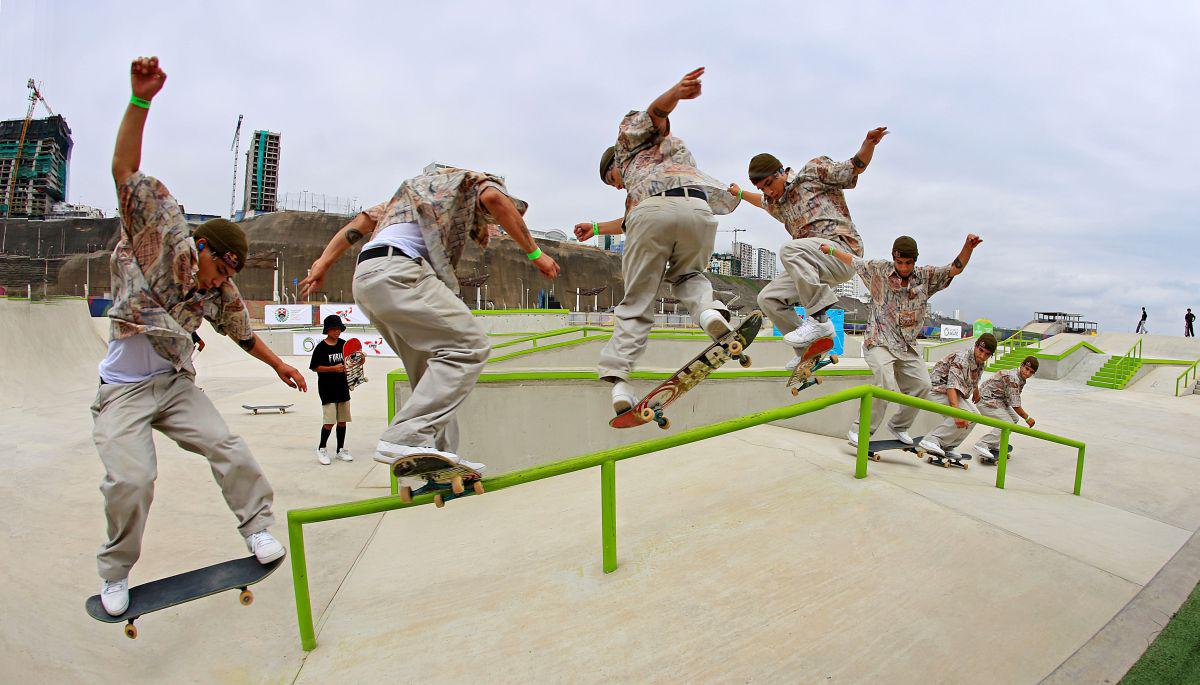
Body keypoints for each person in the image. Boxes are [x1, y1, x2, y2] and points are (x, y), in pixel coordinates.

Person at [94, 57, 307, 616]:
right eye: (223, 269)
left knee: (228, 447)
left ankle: (258, 528)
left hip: (175, 385)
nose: (223, 283)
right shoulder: (163, 235)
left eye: (234, 276)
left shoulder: (219, 293)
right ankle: (116, 574)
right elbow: (124, 171)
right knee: (132, 481)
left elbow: (242, 334)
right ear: (205, 250)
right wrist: (141, 100)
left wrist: (278, 366)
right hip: (122, 390)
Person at [300, 167, 559, 472]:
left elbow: (360, 224)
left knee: (430, 374)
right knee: (470, 346)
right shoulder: (469, 184)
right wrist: (535, 254)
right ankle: (404, 437)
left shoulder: (406, 199)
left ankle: (435, 458)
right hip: (401, 272)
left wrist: (321, 263)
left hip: (367, 279)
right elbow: (494, 198)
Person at [573, 67, 740, 413]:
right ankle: (709, 312)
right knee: (689, 275)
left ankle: (619, 383)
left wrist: (677, 92)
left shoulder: (626, 146)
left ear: (613, 163)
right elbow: (635, 218)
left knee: (637, 302)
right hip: (697, 209)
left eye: (613, 180)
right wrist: (596, 228)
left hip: (652, 215)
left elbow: (656, 113)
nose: (619, 185)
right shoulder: (673, 151)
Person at [729, 127, 888, 369]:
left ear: (782, 171)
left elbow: (854, 166)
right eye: (764, 188)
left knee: (789, 250)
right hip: (814, 263)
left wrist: (869, 143)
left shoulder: (812, 174)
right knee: (768, 298)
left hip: (842, 251)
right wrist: (740, 193)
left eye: (770, 183)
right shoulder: (775, 203)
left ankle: (819, 320)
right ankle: (809, 352)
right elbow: (761, 203)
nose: (769, 191)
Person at [822, 234, 983, 446]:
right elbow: (853, 260)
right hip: (878, 340)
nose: (904, 268)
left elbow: (954, 268)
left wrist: (967, 247)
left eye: (908, 263)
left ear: (914, 261)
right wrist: (831, 250)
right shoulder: (878, 268)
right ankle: (861, 430)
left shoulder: (926, 276)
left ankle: (899, 426)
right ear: (893, 259)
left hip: (907, 346)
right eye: (899, 263)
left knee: (922, 386)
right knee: (886, 385)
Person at [917, 334, 997, 458]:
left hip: (952, 392)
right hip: (936, 389)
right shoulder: (962, 359)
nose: (982, 356)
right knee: (962, 414)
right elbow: (951, 386)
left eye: (986, 354)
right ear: (976, 346)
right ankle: (932, 439)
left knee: (975, 416)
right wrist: (956, 412)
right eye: (980, 350)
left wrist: (976, 392)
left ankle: (948, 446)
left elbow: (974, 378)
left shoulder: (980, 363)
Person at [972, 356, 1038, 460]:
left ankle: (993, 443)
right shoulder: (1014, 378)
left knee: (1014, 419)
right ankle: (983, 443)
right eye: (1026, 369)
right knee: (1008, 423)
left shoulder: (1020, 378)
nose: (1027, 373)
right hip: (985, 400)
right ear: (1021, 365)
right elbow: (1015, 405)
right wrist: (1027, 418)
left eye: (1031, 372)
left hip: (998, 401)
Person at [309, 314, 355, 465]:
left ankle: (340, 449)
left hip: (343, 388)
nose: (337, 332)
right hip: (327, 389)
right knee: (329, 421)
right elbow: (315, 367)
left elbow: (352, 361)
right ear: (327, 330)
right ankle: (322, 448)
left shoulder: (344, 344)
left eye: (339, 329)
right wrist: (333, 368)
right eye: (334, 329)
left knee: (342, 421)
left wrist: (359, 361)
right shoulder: (321, 348)